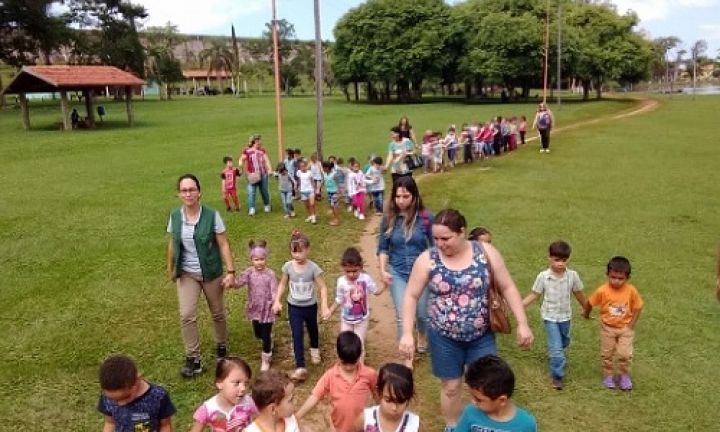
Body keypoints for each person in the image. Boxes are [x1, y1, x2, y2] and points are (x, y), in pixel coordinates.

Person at [398, 209, 533, 431]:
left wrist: (523, 323)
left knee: (484, 386)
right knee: (451, 387)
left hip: (481, 336)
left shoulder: (485, 253)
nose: (440, 244)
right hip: (444, 338)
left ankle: (482, 426)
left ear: (462, 232)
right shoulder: (427, 260)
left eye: (446, 238)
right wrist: (406, 333)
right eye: (436, 239)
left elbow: (507, 286)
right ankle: (452, 426)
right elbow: (411, 295)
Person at [166, 174, 236, 377]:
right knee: (186, 314)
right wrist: (170, 267)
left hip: (211, 272)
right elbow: (173, 243)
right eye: (184, 190)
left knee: (217, 312)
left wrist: (231, 271)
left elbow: (223, 243)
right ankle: (193, 358)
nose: (188, 193)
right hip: (186, 273)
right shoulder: (175, 216)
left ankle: (222, 346)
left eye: (192, 189)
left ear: (199, 192)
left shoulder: (212, 215)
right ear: (179, 194)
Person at [377, 176, 433, 352]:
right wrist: (382, 270)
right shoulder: (388, 218)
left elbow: (436, 246)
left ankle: (422, 335)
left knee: (422, 314)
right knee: (403, 315)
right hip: (397, 272)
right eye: (397, 196)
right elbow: (383, 247)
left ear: (414, 196)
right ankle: (407, 356)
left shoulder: (426, 218)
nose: (401, 201)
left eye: (405, 196)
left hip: (421, 274)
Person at [522, 241, 588, 390]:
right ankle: (557, 376)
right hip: (549, 317)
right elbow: (535, 294)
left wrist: (586, 308)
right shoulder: (543, 277)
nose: (560, 264)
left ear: (568, 260)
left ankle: (556, 348)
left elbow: (579, 294)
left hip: (565, 317)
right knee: (557, 350)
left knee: (564, 341)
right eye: (556, 260)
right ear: (549, 258)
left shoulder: (572, 276)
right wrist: (520, 306)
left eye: (563, 260)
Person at [272, 230, 331, 381]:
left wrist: (324, 306)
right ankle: (300, 366)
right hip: (294, 307)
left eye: (300, 252)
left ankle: (314, 349)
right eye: (294, 252)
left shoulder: (313, 268)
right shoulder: (288, 267)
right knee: (297, 334)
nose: (297, 255)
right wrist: (277, 300)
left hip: (310, 307)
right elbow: (282, 284)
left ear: (308, 250)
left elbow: (323, 287)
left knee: (313, 330)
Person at [296, 331, 378, 432]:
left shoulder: (369, 374)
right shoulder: (330, 376)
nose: (349, 367)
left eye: (353, 363)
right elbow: (315, 396)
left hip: (362, 428)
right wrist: (297, 416)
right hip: (338, 428)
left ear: (360, 355)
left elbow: (378, 395)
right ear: (338, 355)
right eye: (344, 363)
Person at [583, 256, 644, 391]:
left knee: (625, 354)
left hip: (625, 329)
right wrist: (586, 314)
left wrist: (631, 326)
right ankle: (608, 376)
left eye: (620, 278)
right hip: (607, 329)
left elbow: (638, 307)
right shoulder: (602, 290)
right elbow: (590, 302)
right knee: (607, 354)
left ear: (627, 278)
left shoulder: (631, 291)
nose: (616, 281)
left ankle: (624, 376)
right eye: (613, 277)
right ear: (608, 275)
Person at [454, 355, 537, 432]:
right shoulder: (470, 413)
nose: (473, 402)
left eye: (479, 400)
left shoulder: (526, 424)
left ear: (502, 400)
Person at [231, 240, 278, 371]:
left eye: (262, 259)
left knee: (265, 335)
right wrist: (231, 281)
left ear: (266, 259)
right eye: (256, 259)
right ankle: (267, 339)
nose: (259, 262)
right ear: (251, 260)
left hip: (267, 309)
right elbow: (239, 283)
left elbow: (275, 290)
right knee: (258, 334)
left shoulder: (270, 274)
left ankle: (266, 358)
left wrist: (276, 303)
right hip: (255, 308)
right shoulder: (249, 273)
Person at [97, 354, 176, 432]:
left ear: (137, 379)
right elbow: (110, 422)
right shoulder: (108, 395)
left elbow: (165, 425)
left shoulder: (158, 396)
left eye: (125, 397)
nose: (120, 404)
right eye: (112, 400)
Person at [327, 248, 383, 348]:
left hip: (362, 320)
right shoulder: (341, 282)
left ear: (360, 267)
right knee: (344, 345)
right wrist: (330, 311)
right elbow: (339, 299)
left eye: (354, 271)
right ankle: (347, 363)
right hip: (346, 320)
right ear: (343, 268)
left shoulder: (365, 279)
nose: (351, 274)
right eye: (348, 271)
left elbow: (376, 292)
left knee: (359, 346)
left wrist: (385, 285)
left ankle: (360, 363)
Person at [190, 357, 256, 432]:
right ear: (219, 384)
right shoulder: (208, 409)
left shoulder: (248, 402)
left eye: (246, 383)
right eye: (237, 383)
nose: (243, 388)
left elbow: (261, 422)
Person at [353, 363, 420, 432]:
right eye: (388, 400)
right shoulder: (365, 420)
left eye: (401, 402)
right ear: (379, 393)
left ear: (408, 399)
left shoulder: (414, 425)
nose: (394, 408)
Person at [239, 134, 273, 216]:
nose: (260, 142)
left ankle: (267, 205)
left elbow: (266, 160)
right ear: (253, 142)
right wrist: (240, 164)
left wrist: (270, 169)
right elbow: (241, 159)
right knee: (251, 192)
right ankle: (252, 208)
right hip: (252, 175)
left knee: (264, 191)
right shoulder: (247, 151)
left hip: (263, 175)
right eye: (258, 141)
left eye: (260, 141)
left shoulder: (262, 151)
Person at [296, 160, 317, 224]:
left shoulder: (309, 173)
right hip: (303, 191)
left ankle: (313, 217)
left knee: (312, 204)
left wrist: (315, 189)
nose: (302, 168)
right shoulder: (299, 172)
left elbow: (312, 181)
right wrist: (298, 188)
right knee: (306, 205)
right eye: (301, 166)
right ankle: (310, 215)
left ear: (306, 166)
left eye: (304, 166)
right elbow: (299, 181)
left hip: (310, 190)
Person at [322, 160, 340, 226]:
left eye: (323, 168)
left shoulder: (334, 174)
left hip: (334, 192)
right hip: (329, 192)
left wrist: (339, 193)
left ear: (326, 168)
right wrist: (319, 188)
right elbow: (324, 181)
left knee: (334, 206)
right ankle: (334, 218)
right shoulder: (325, 174)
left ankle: (336, 220)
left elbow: (338, 183)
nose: (322, 169)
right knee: (331, 206)